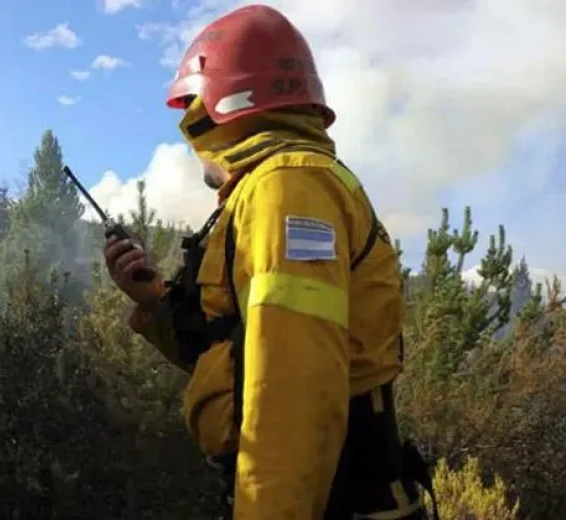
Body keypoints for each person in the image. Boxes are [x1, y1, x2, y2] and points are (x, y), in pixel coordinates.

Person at [104, 5, 436, 519]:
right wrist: (151, 302)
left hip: (332, 502)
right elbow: (235, 355)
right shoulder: (272, 187)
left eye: (191, 111)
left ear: (216, 110)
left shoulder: (287, 188)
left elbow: (290, 392)